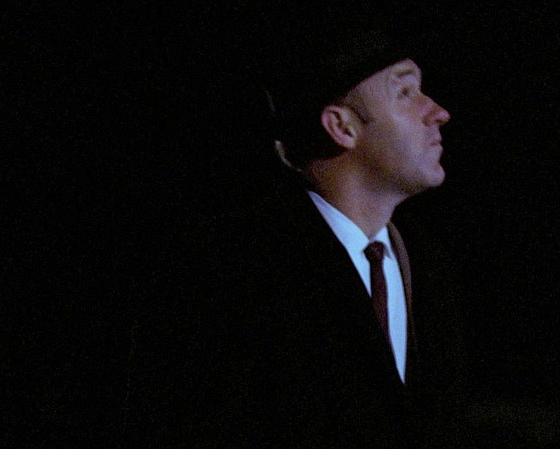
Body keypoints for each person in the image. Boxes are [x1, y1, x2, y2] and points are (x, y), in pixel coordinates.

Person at [124, 6, 470, 448]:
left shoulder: (426, 266)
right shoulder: (236, 268)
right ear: (341, 126)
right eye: (404, 92)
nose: (438, 111)